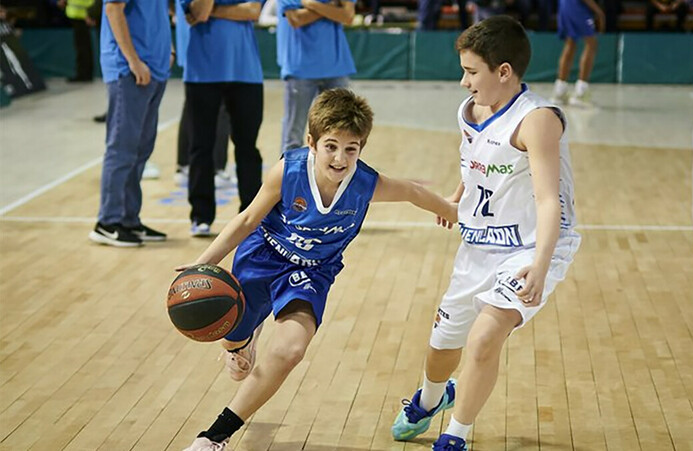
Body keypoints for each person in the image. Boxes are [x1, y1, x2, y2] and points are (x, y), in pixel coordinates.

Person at [179, 89, 458, 451]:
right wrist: (205, 263)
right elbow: (248, 219)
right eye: (331, 146)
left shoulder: (364, 184)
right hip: (263, 257)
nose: (340, 158)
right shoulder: (289, 170)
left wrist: (454, 214)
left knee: (292, 349)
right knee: (233, 335)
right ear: (311, 142)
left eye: (351, 148)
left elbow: (411, 191)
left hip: (312, 272)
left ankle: (214, 436)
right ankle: (241, 342)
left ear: (361, 148)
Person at [391, 16, 581, 451]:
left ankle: (456, 435)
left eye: (471, 71)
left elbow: (549, 200)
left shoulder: (537, 121)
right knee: (443, 344)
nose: (463, 82)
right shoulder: (472, 110)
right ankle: (431, 398)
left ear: (504, 72)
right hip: (479, 242)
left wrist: (541, 263)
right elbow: (473, 157)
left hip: (531, 246)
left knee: (483, 339)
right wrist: (458, 198)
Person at [88, 0, 171, 247]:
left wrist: (169, 48)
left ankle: (128, 219)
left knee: (141, 148)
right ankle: (108, 222)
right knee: (122, 148)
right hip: (129, 69)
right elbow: (113, 9)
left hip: (154, 67)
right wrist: (133, 60)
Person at [181, 0, 265, 237]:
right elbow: (198, 12)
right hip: (202, 73)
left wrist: (215, 11)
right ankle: (201, 215)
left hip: (246, 72)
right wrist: (229, 11)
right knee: (201, 146)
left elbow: (253, 11)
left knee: (247, 146)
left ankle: (251, 216)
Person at [277, 0, 355, 153]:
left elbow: (348, 16)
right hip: (300, 68)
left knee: (341, 131)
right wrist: (332, 7)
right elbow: (296, 19)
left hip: (336, 66)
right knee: (294, 133)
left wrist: (310, 4)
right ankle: (289, 176)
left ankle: (334, 175)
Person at [173, 8, 235, 189]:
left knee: (192, 104)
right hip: (209, 44)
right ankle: (217, 168)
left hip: (191, 43)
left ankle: (184, 166)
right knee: (222, 105)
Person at [549, 0, 604, 107]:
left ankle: (560, 91)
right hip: (577, 5)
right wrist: (598, 11)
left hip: (564, 4)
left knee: (570, 44)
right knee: (591, 43)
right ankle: (581, 92)